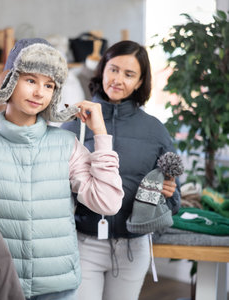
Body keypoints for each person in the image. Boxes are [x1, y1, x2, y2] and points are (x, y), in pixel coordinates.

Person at [0, 38, 124, 300]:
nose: (40, 93)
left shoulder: (66, 145)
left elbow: (107, 202)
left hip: (58, 289)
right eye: (31, 80)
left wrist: (101, 134)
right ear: (8, 81)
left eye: (49, 85)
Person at [61, 40, 181, 300]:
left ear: (139, 82)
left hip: (133, 248)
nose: (118, 79)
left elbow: (175, 200)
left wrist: (168, 192)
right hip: (83, 244)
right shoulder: (73, 125)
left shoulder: (155, 130)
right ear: (102, 70)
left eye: (129, 74)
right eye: (113, 69)